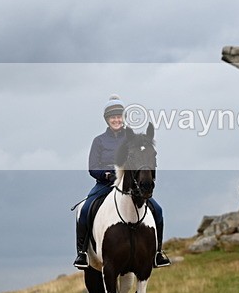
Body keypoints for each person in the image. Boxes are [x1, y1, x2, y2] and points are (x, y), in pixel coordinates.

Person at [73, 95, 171, 269]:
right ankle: (82, 253)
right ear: (107, 119)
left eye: (119, 116)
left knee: (158, 210)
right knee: (85, 209)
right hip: (104, 184)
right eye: (113, 117)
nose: (116, 120)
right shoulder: (99, 141)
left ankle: (157, 253)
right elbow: (92, 167)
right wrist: (106, 175)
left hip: (130, 185)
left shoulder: (132, 139)